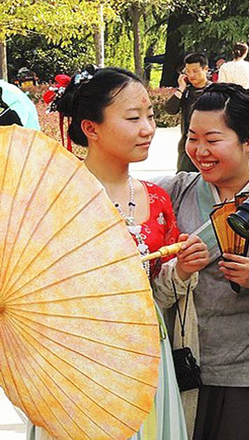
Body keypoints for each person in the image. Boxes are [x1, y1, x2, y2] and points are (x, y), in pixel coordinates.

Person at [44, 66, 209, 440]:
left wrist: (181, 271)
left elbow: (159, 289)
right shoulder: (58, 196)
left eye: (150, 116)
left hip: (147, 344)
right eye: (133, 118)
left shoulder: (155, 196)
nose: (148, 128)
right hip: (80, 350)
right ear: (91, 128)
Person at [156, 83, 249, 440]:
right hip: (180, 364)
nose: (200, 151)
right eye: (192, 138)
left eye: (213, 139)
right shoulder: (172, 192)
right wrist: (177, 269)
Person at [164, 52, 212, 172]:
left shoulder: (214, 92)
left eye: (195, 71)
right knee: (184, 180)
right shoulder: (186, 92)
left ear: (205, 69)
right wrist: (180, 88)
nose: (191, 75)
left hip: (209, 145)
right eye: (188, 71)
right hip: (187, 144)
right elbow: (170, 109)